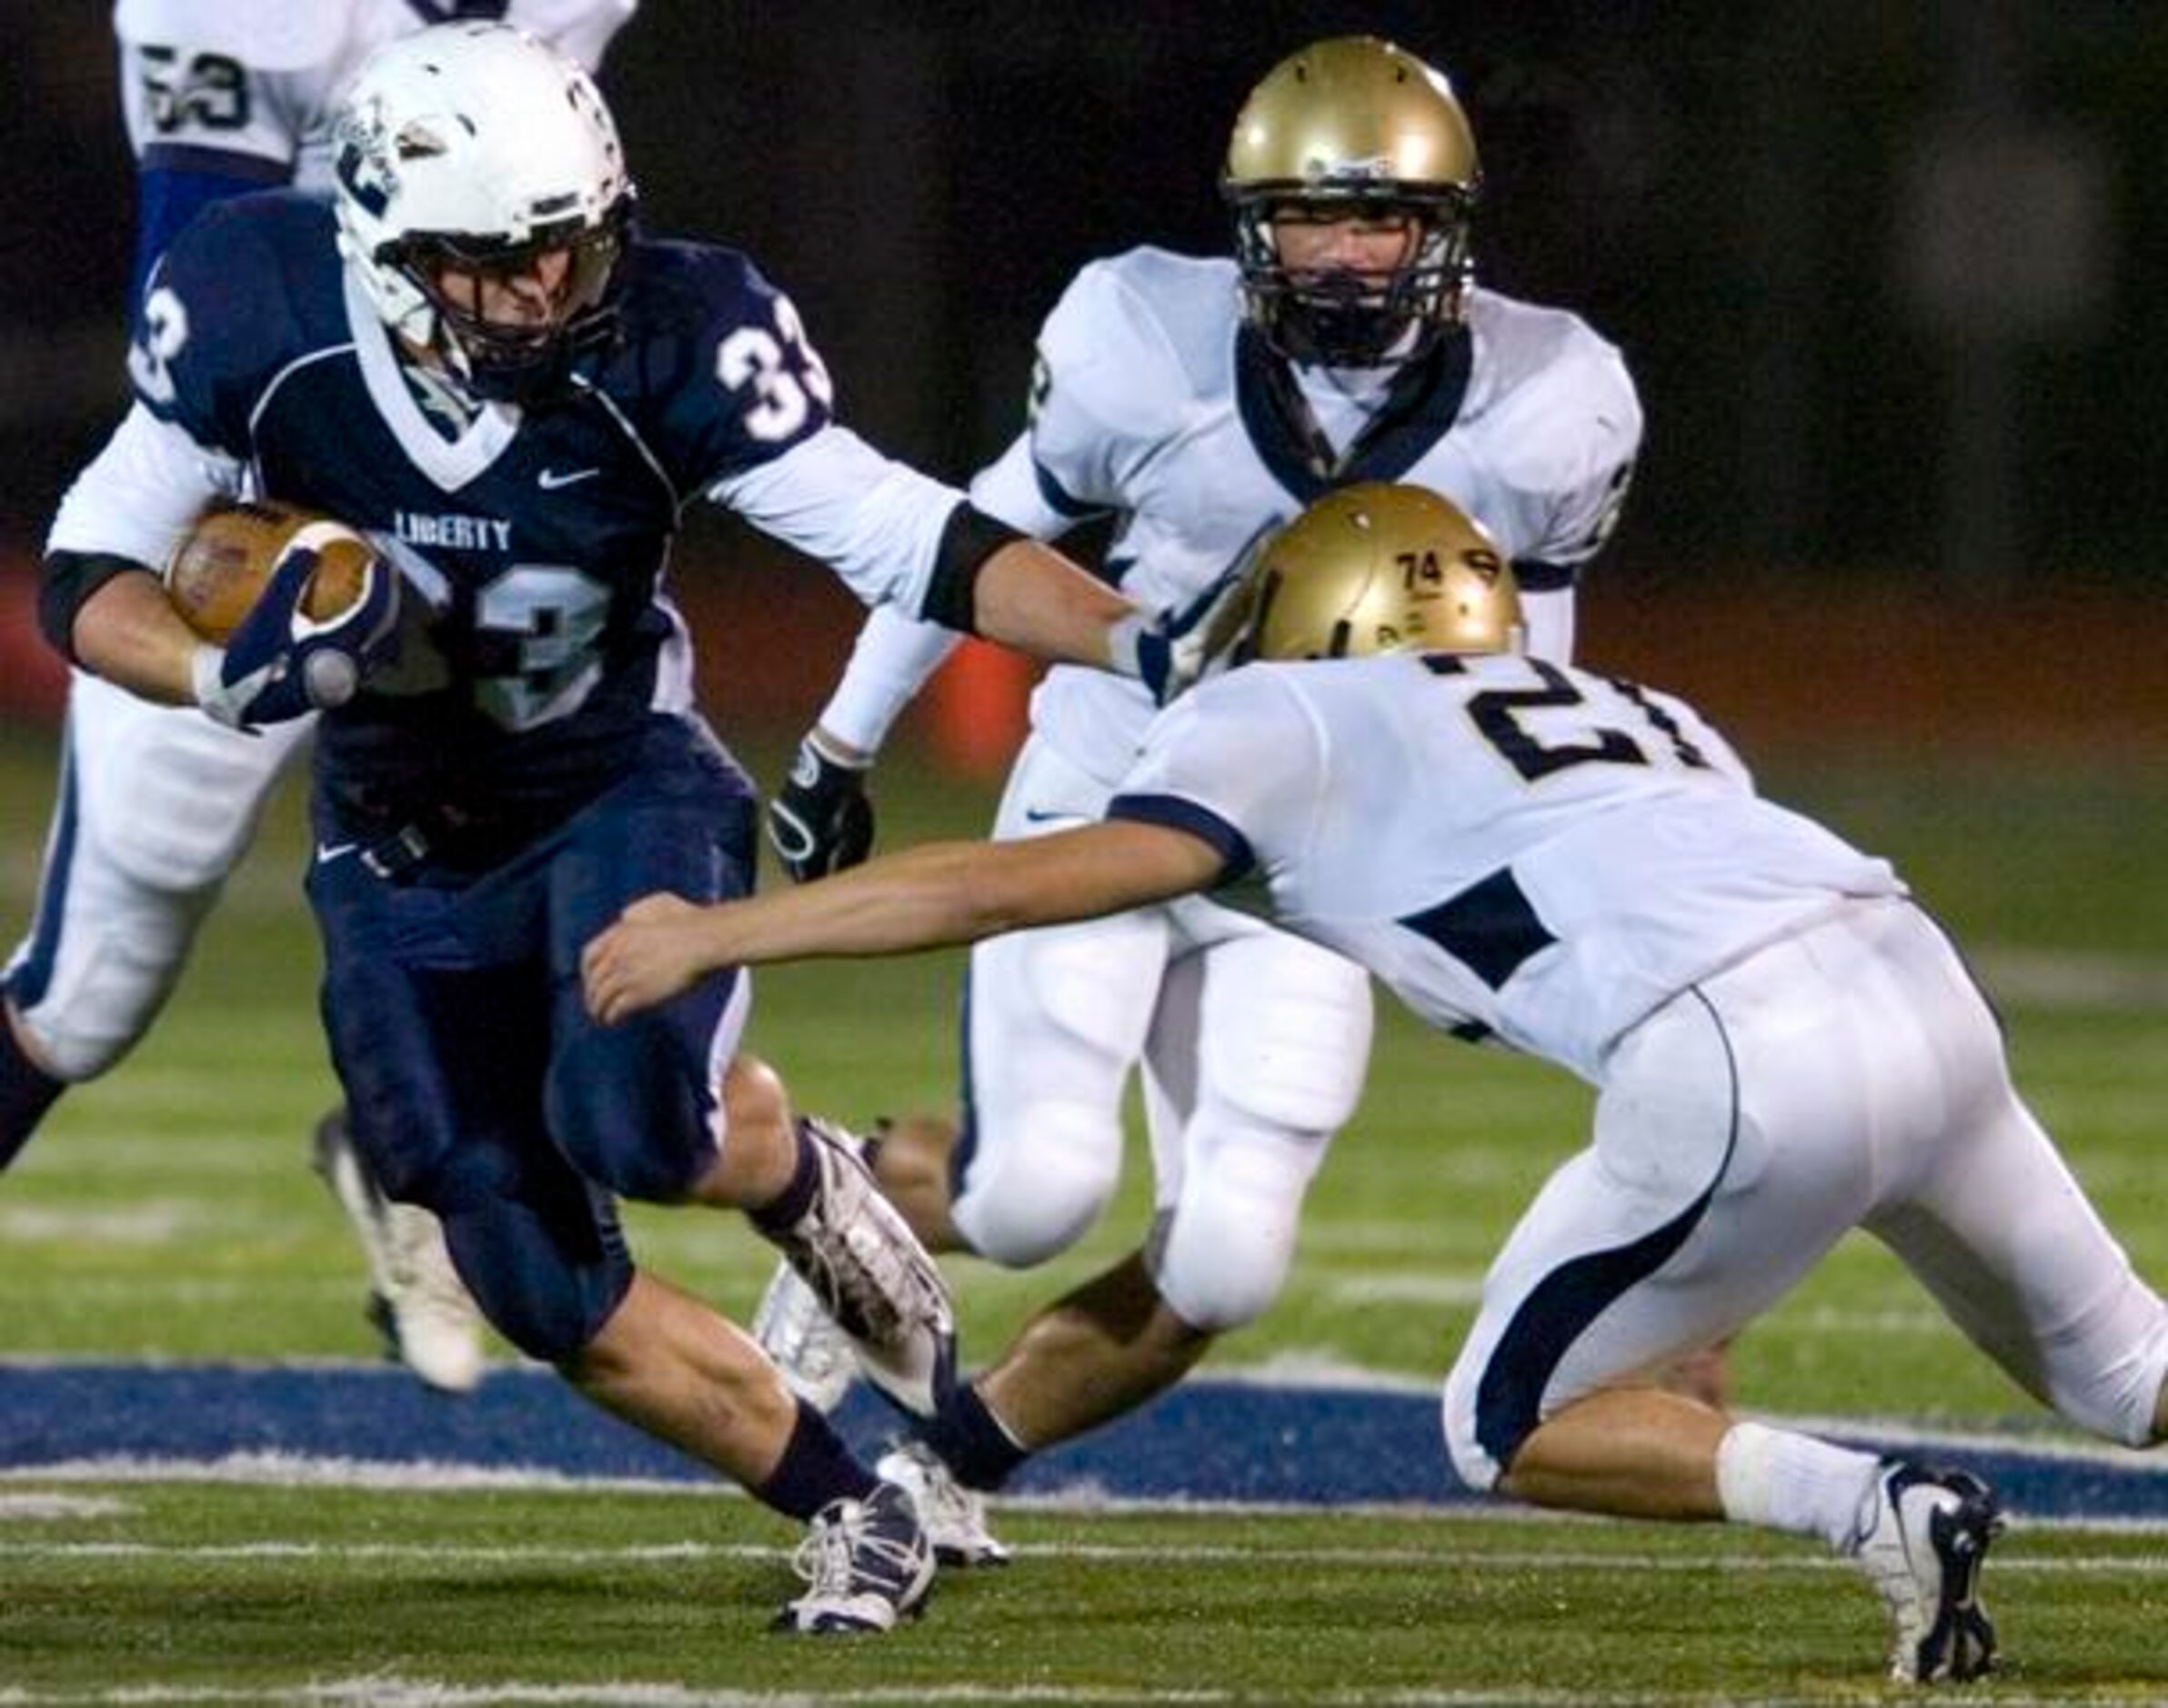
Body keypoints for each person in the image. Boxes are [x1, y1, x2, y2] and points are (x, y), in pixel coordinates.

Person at [41, 21, 1225, 1633]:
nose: (548, 292)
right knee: (530, 1279)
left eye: (571, 249)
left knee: (631, 1126)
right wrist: (212, 671)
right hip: (393, 838)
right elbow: (85, 567)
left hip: (617, 789)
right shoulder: (258, 306)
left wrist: (1135, 638)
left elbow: (906, 535)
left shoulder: (676, 327)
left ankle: (790, 1170)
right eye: (499, 263)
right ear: (388, 251)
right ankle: (854, 1503)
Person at [585, 481, 2168, 1683]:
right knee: (2127, 1378)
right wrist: (1708, 1304)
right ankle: (1906, 1499)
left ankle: (1880, 1506)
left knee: (1500, 1419)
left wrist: (725, 927)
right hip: (1915, 979)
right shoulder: (1645, 711)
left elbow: (1007, 888)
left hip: (1741, 1054)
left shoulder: (1295, 707)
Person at [748, 34, 1652, 1562]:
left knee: (1229, 1261)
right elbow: (966, 546)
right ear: (1252, 227)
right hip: (1113, 796)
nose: (1354, 260)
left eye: (1386, 223)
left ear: (1450, 236)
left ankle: (947, 1464)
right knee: (1034, 1192)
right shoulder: (1142, 343)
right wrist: (839, 744)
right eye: (1317, 219)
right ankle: (843, 1189)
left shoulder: (1550, 398)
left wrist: (1510, 874)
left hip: (1304, 859)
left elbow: (1519, 666)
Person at [1, 0, 639, 1396]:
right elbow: (195, 298)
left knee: (583, 858)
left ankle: (412, 1141)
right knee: (87, 993)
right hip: (264, 496)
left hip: (502, 478)